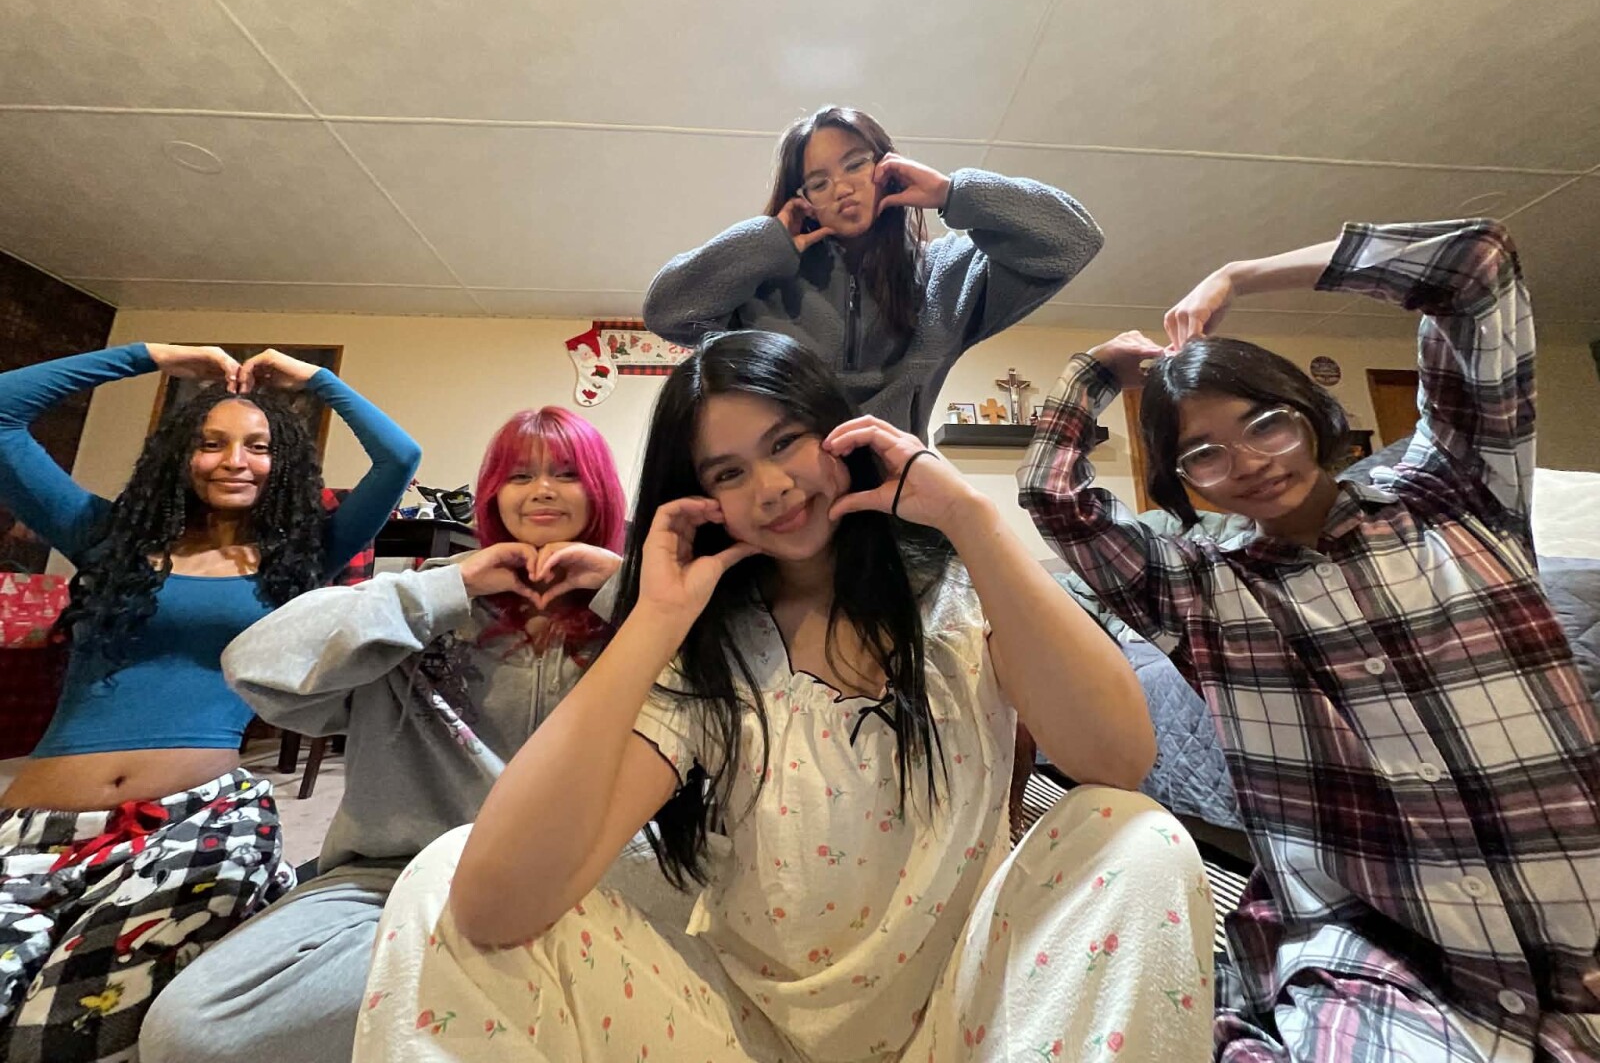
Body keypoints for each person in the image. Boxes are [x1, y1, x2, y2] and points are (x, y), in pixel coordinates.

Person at [352, 330, 1215, 1062]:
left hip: (968, 1020)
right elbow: (493, 905)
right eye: (727, 473)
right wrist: (655, 620)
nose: (769, 487)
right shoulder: (712, 656)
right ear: (700, 501)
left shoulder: (962, 596)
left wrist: (972, 520)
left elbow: (1116, 760)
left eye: (786, 442)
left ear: (840, 434)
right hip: (744, 1037)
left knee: (1134, 835)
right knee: (441, 878)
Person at [1018, 220, 1600, 1061]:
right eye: (1205, 454)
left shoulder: (1455, 491)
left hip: (1576, 902)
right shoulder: (1200, 588)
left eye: (1265, 424)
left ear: (1312, 414)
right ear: (1184, 482)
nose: (1250, 462)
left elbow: (1478, 265)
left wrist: (1243, 271)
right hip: (1380, 948)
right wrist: (1094, 374)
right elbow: (1053, 498)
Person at [140, 406, 627, 1063]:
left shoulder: (640, 614)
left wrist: (622, 590)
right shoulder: (421, 601)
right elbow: (252, 665)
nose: (541, 490)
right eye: (520, 476)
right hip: (393, 876)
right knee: (193, 1032)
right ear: (492, 494)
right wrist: (450, 586)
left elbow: (736, 696)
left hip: (589, 881)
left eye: (566, 474)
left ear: (599, 489)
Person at [0, 343, 419, 1063]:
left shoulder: (298, 558)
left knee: (61, 1036)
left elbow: (398, 457)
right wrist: (152, 356)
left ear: (282, 462)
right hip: (41, 828)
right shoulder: (107, 538)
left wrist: (315, 380)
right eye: (211, 442)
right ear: (179, 454)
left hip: (200, 821)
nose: (235, 461)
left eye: (258, 446)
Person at [643, 105, 1103, 437]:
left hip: (897, 507)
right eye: (818, 182)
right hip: (788, 497)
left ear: (887, 166)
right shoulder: (763, 281)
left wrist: (953, 193)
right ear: (803, 200)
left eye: (855, 164)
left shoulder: (946, 273)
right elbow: (666, 312)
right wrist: (767, 241)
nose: (841, 188)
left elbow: (1074, 239)